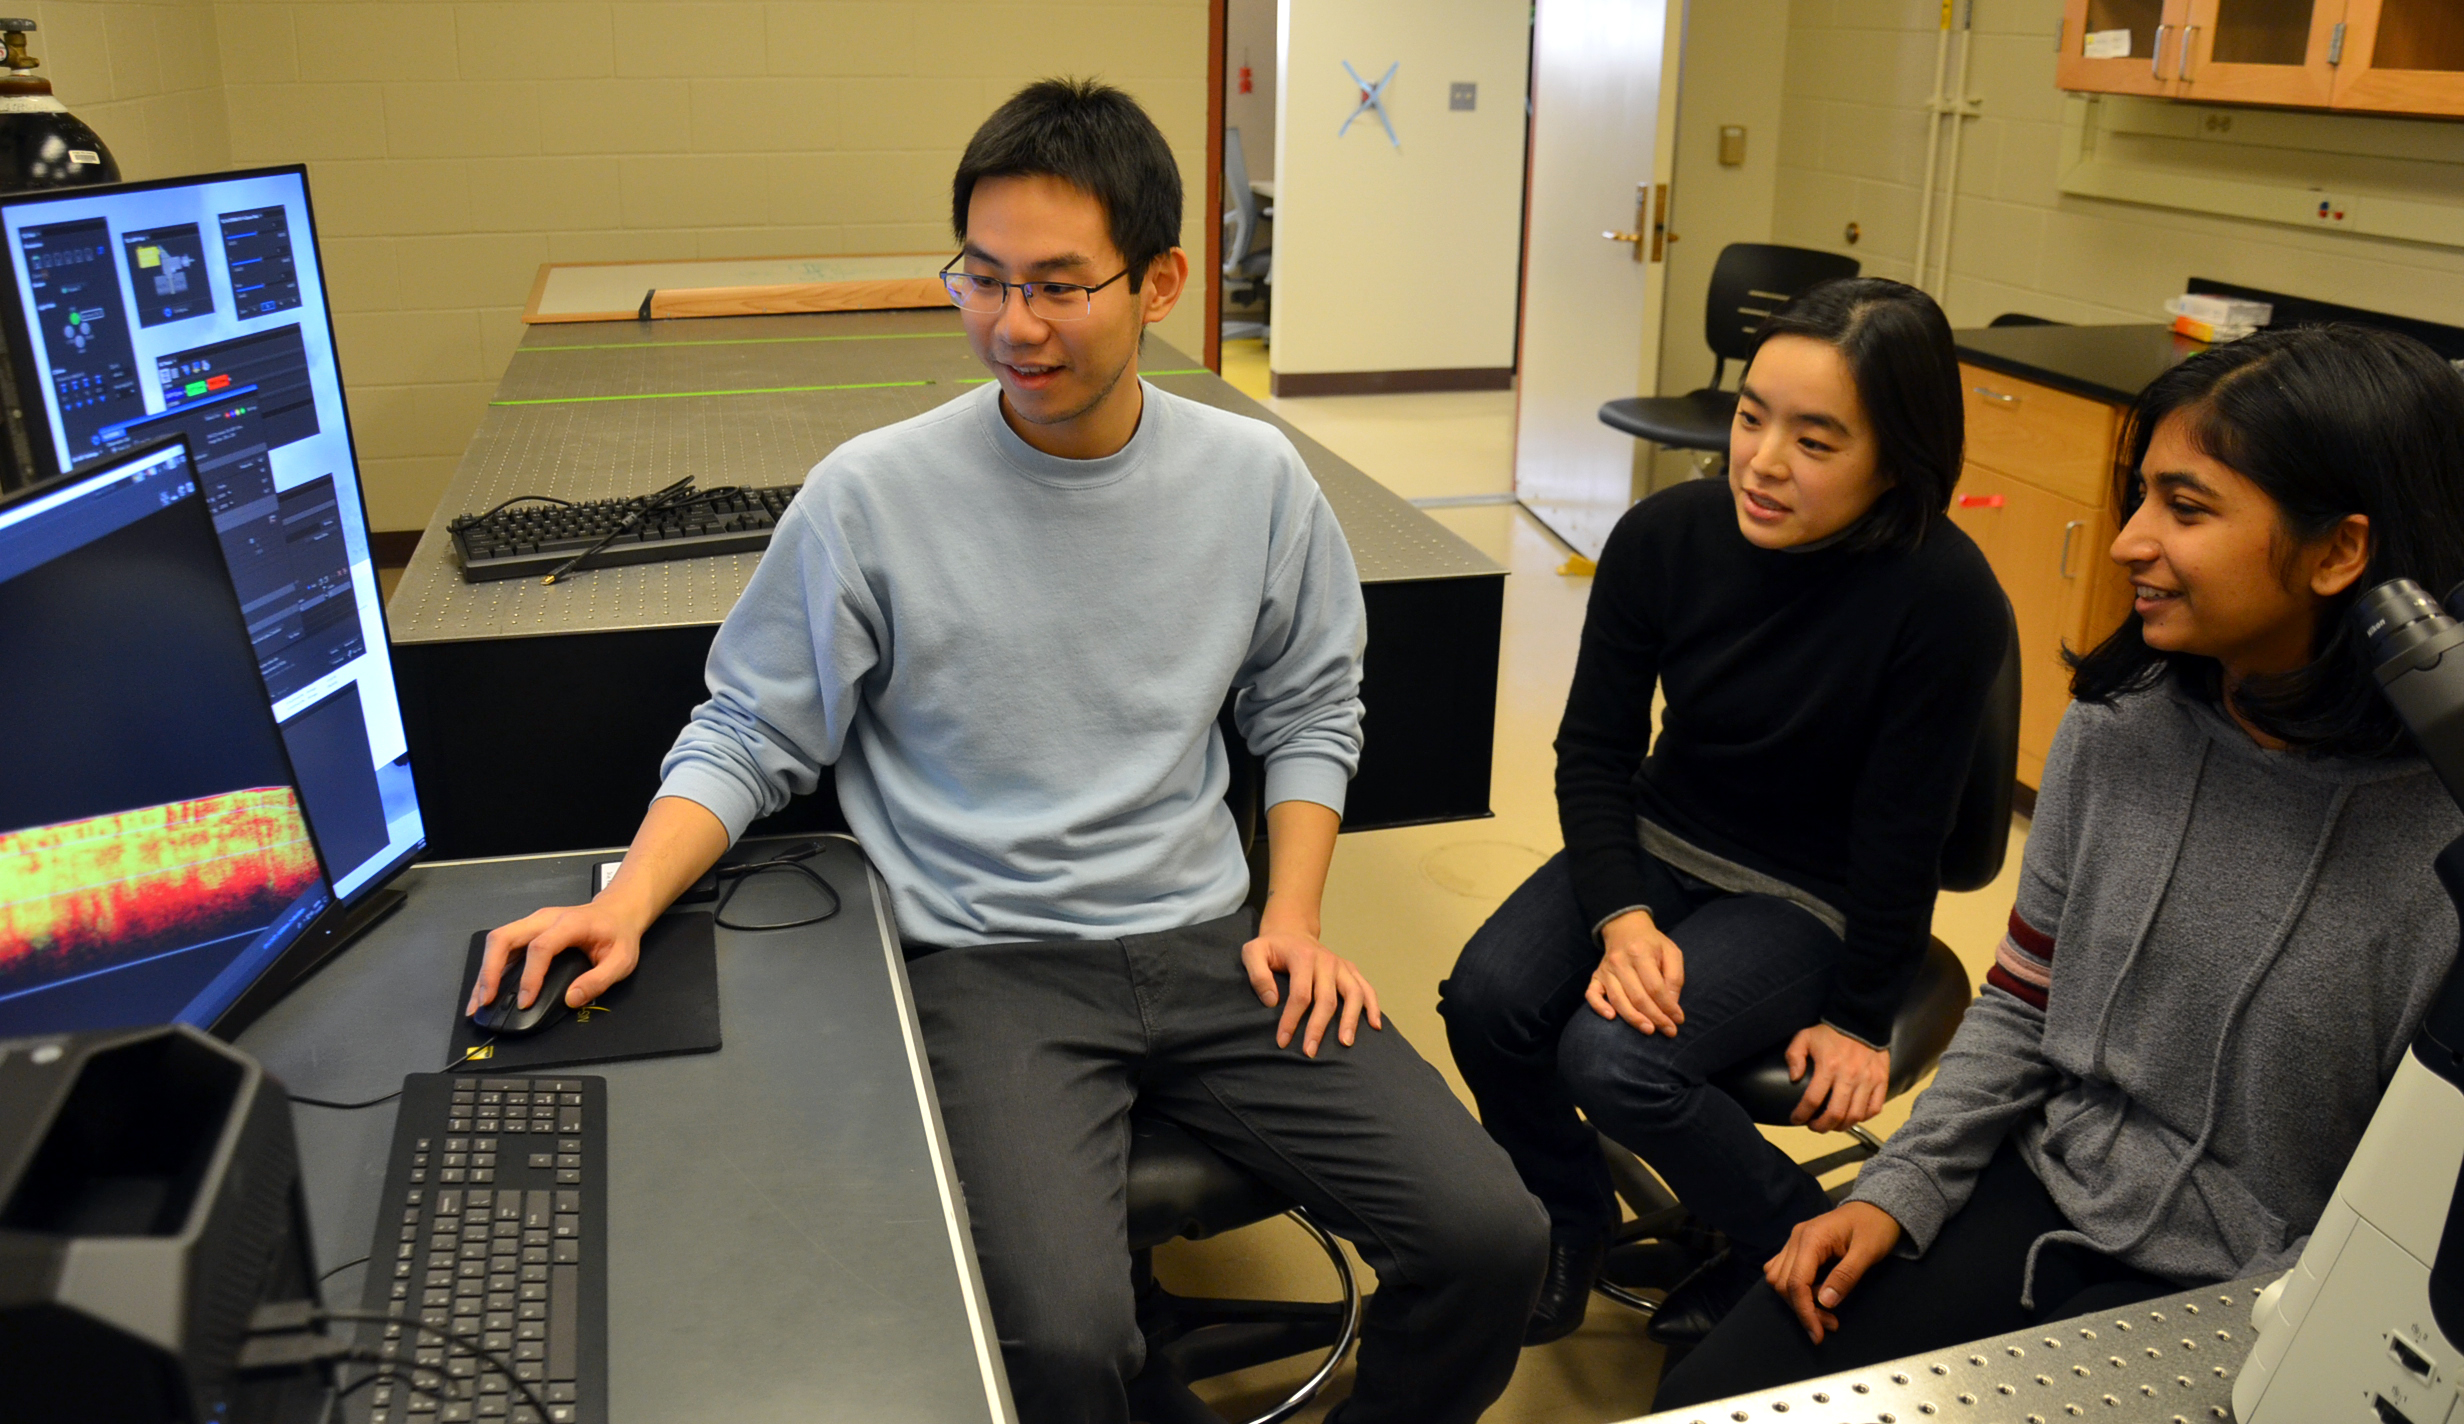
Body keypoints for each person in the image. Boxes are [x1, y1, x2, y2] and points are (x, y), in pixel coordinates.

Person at [464, 79, 1546, 1424]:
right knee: (1064, 1344)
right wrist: (624, 903)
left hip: (1217, 945)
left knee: (1493, 1238)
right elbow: (749, 727)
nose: (1012, 324)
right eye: (982, 277)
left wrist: (1298, 912)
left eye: (1057, 285)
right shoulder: (873, 494)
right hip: (991, 967)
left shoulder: (1254, 483)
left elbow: (1309, 709)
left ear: (1160, 281)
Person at [1654, 323, 2464, 1409]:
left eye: (2184, 508)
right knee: (1714, 1393)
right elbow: (2022, 1007)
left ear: (2337, 551)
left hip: (2269, 1285)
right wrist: (1901, 1185)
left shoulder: (2441, 835)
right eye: (2137, 498)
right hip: (2040, 1185)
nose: (2128, 541)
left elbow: (2407, 1214)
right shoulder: (2118, 727)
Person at [1441, 278, 2008, 1346]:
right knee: (1486, 998)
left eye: (1816, 438)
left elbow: (1903, 831)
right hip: (1662, 836)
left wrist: (1854, 1012)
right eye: (1753, 416)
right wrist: (1622, 913)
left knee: (1612, 1057)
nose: (1761, 459)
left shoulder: (1944, 596)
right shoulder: (1665, 535)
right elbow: (1595, 753)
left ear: (1897, 454)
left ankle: (1797, 1244)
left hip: (1812, 889)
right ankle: (1570, 1218)